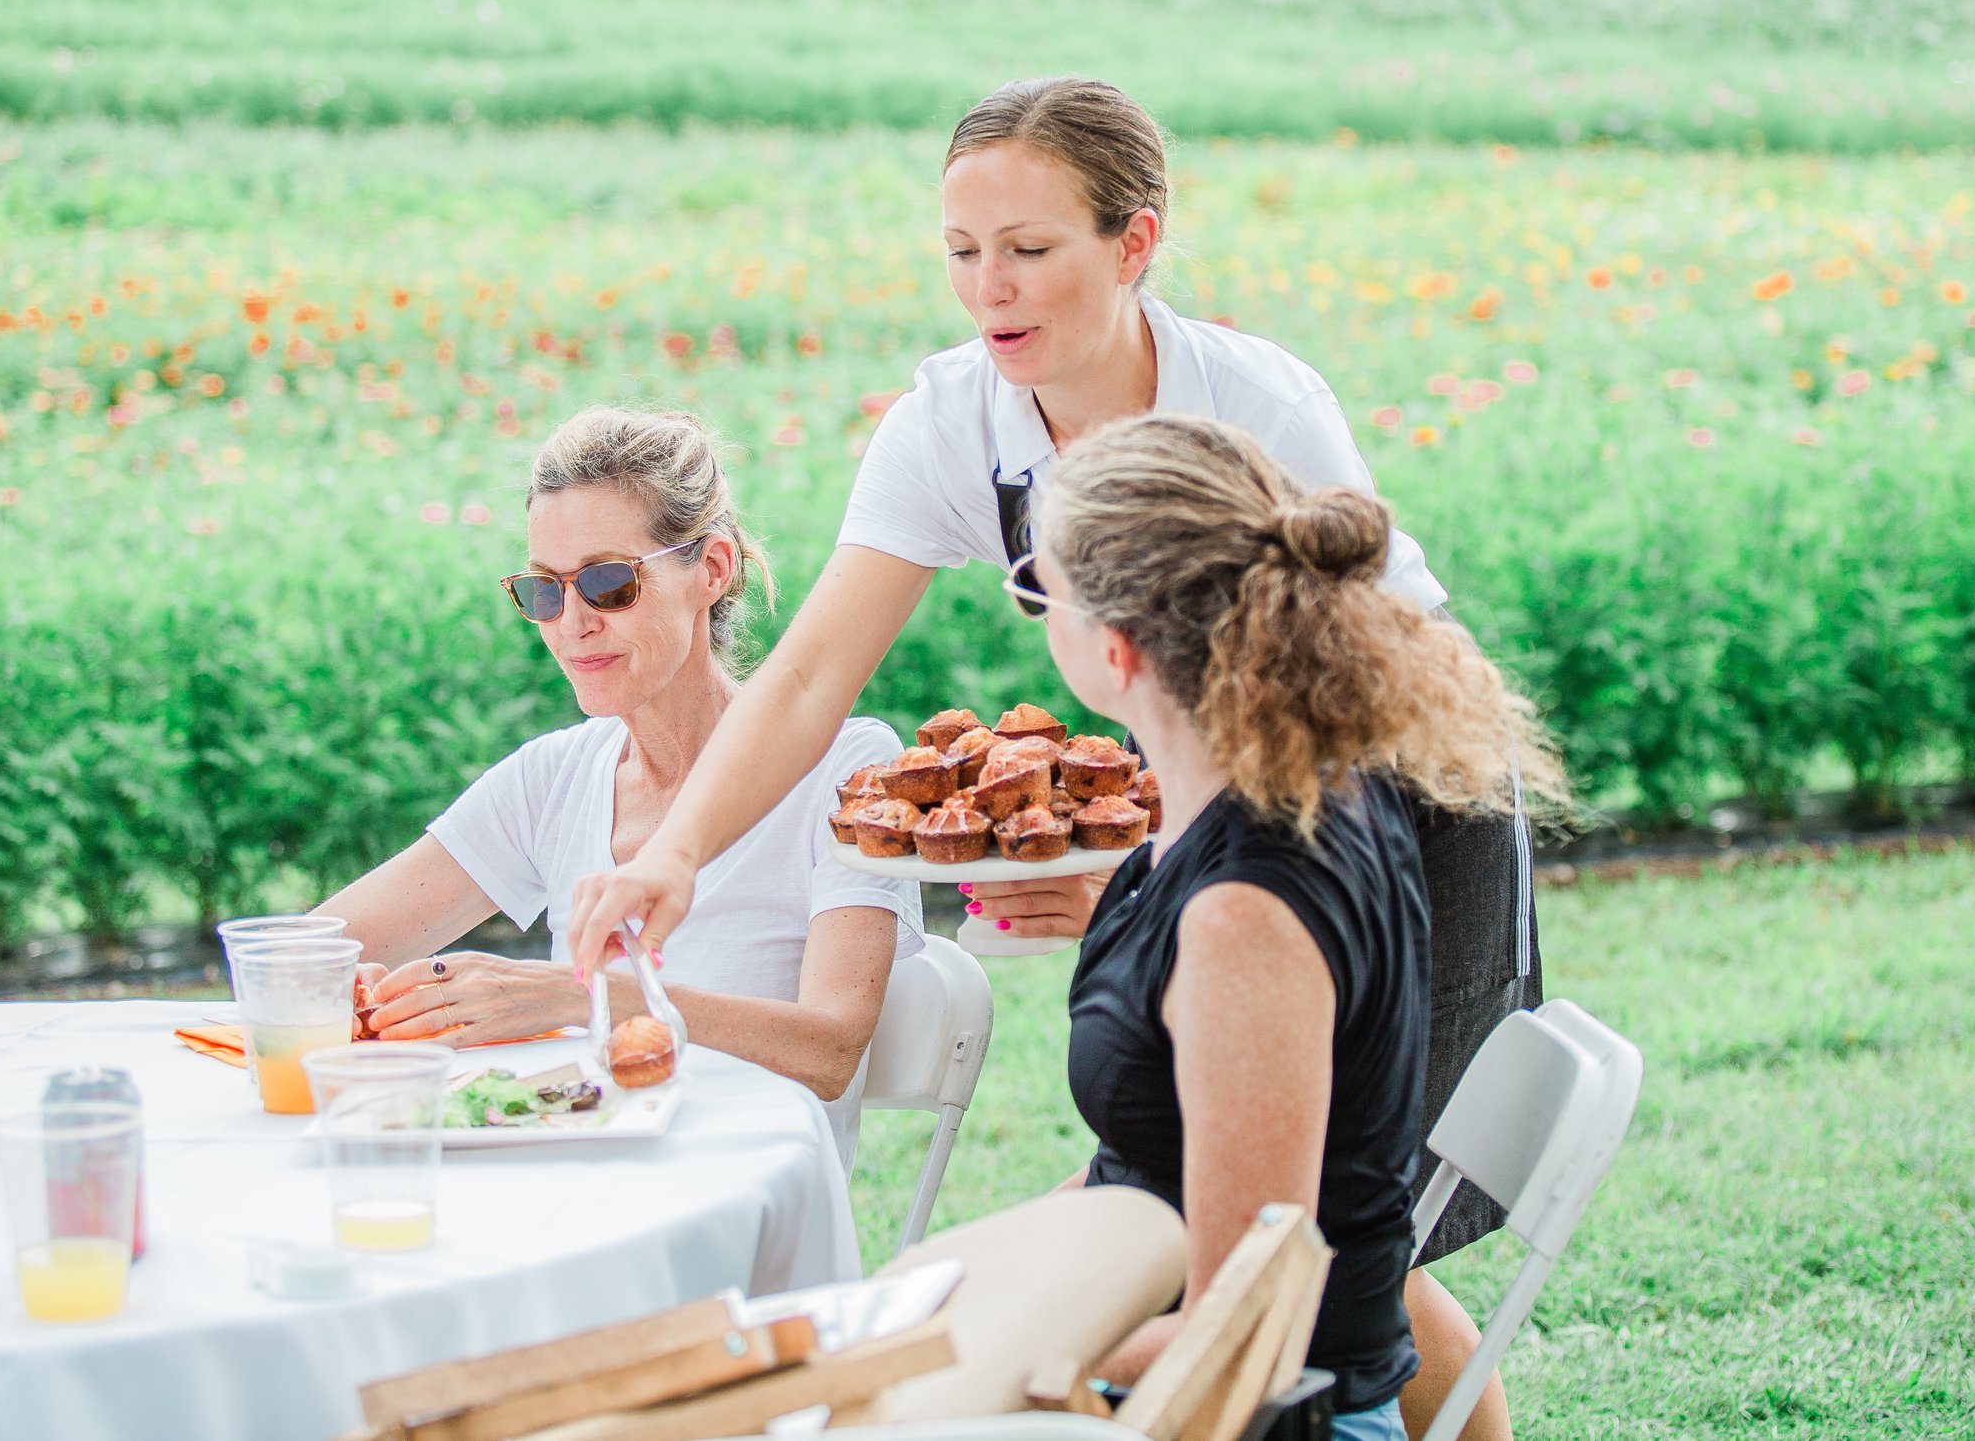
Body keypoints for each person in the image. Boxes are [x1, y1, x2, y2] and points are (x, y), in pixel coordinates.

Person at [569, 78, 1557, 1438]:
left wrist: (1203, 899)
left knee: (1357, 1214)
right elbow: (806, 673)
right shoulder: (950, 424)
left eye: (1031, 249)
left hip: (1393, 789)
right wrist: (672, 851)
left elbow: (1347, 681)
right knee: (1290, 1203)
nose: (991, 287)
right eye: (964, 251)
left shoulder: (1254, 400)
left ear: (1134, 242)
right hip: (1225, 803)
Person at [1026, 414, 1558, 1441]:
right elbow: (1160, 1167)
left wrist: (1002, 1353)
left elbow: (1250, 1343)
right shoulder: (1310, 784)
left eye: (1034, 586)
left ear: (1115, 645)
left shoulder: (1243, 920)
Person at [317, 406, 920, 1166]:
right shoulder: (555, 777)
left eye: (607, 584)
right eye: (544, 590)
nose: (571, 623)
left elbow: (830, 1049)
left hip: (744, 1205)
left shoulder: (847, 768)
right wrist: (357, 995)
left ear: (713, 568)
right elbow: (320, 951)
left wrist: (580, 996)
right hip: (575, 1188)